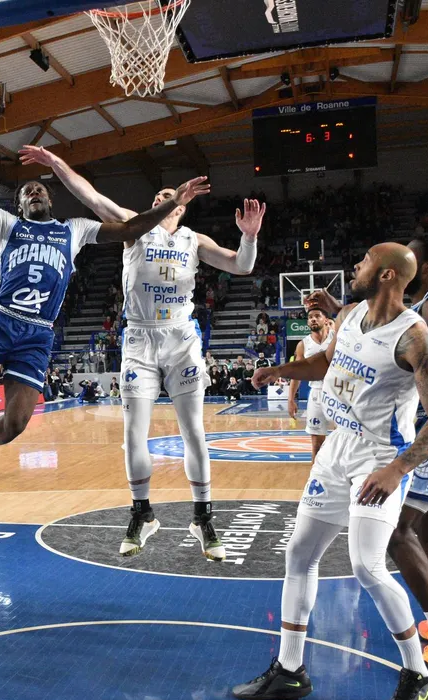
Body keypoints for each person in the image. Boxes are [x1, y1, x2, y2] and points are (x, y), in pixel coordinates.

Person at [233, 243, 428, 700]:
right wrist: (280, 371)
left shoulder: (415, 336)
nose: (356, 266)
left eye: (365, 261)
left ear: (387, 276)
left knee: (366, 566)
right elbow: (326, 366)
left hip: (378, 459)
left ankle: (418, 674)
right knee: (299, 555)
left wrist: (398, 470)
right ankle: (290, 670)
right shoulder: (352, 314)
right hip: (336, 449)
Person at [0, 116, 187, 478]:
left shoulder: (75, 230)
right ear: (20, 205)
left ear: (50, 198)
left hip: (37, 334)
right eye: (27, 192)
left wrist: (172, 203)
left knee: (16, 424)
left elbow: (131, 228)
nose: (33, 192)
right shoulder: (7, 226)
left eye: (39, 189)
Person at [22, 144, 264, 561]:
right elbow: (90, 197)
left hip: (182, 340)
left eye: (166, 198)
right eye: (155, 198)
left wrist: (249, 237)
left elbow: (242, 266)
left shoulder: (194, 240)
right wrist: (56, 162)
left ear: (182, 208)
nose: (159, 201)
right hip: (140, 339)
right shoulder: (135, 227)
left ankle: (203, 517)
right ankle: (142, 514)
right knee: (134, 435)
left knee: (195, 433)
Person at [311, 233, 428, 681]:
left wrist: (400, 352)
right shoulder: (404, 312)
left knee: (399, 531)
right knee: (426, 526)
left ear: (421, 268)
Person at [287, 307, 334, 462]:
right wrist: (291, 399)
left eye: (317, 316)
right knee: (316, 442)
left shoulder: (338, 338)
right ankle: (316, 478)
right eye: (310, 317)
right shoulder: (303, 344)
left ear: (326, 320)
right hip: (316, 393)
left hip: (339, 392)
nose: (313, 319)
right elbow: (296, 373)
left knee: (347, 438)